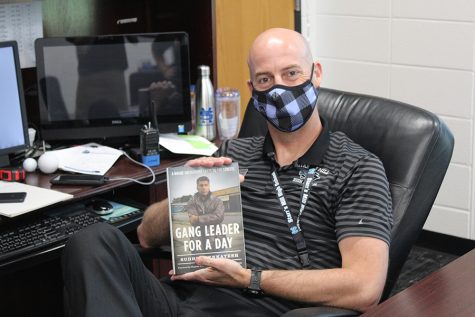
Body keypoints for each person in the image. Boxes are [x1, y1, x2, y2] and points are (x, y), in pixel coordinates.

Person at [61, 28, 392, 317]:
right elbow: (147, 235)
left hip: (256, 308)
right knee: (91, 239)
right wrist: (185, 194)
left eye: (292, 74)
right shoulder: (233, 154)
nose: (279, 88)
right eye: (265, 79)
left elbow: (364, 287)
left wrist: (249, 277)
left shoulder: (357, 168)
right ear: (252, 89)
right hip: (177, 299)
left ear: (316, 73)